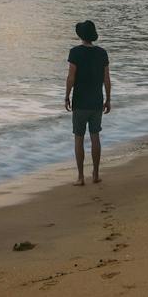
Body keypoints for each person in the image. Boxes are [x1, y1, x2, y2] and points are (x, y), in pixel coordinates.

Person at [64, 19, 111, 185]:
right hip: (96, 101)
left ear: (81, 35)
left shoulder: (75, 52)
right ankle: (96, 174)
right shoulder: (102, 53)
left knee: (78, 138)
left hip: (80, 101)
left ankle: (80, 177)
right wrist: (108, 99)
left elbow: (71, 77)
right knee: (95, 136)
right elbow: (107, 79)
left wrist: (67, 95)